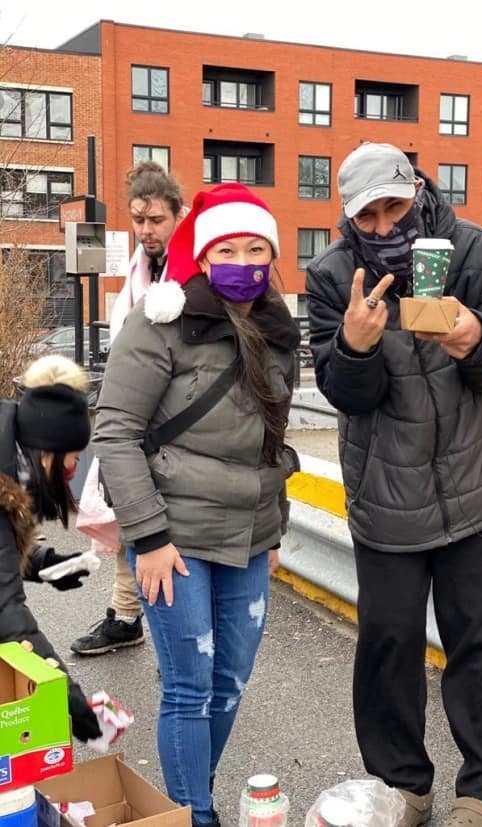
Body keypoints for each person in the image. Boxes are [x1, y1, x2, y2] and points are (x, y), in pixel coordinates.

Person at [305, 142, 482, 827]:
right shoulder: (331, 274)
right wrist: (354, 345)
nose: (381, 227)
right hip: (385, 500)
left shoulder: (476, 253)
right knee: (388, 645)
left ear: (417, 192)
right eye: (365, 215)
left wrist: (475, 337)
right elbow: (346, 395)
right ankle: (403, 785)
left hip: (477, 489)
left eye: (393, 208)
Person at [93, 183, 301, 827]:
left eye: (256, 248)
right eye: (228, 249)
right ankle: (194, 815)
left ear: (270, 254)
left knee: (231, 681)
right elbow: (117, 431)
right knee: (189, 686)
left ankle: (190, 791)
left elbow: (269, 442)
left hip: (248, 536)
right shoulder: (160, 324)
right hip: (173, 537)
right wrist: (148, 538)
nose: (243, 260)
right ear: (205, 259)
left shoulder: (277, 328)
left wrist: (270, 536)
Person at [71, 161, 186, 656]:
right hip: (137, 416)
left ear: (177, 215)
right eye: (138, 219)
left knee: (164, 527)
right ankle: (125, 616)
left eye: (156, 219)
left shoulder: (194, 265)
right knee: (127, 517)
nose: (146, 230)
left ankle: (170, 637)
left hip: (178, 422)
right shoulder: (142, 270)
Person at [0, 354, 102, 744]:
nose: (72, 472)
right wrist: (70, 702)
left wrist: (44, 563)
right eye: (72, 461)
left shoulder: (10, 449)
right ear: (49, 453)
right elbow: (7, 614)